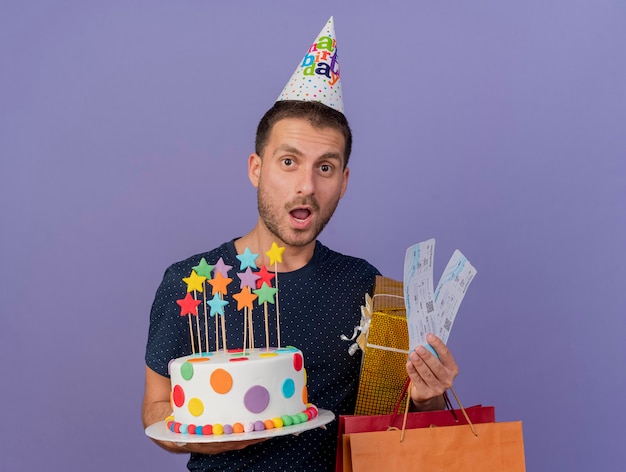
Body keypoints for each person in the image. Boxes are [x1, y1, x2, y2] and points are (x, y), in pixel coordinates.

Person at [142, 18, 458, 472]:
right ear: (256, 168)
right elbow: (154, 408)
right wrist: (212, 437)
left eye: (325, 168)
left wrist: (429, 398)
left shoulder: (371, 288)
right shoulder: (189, 282)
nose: (305, 186)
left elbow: (395, 426)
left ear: (344, 182)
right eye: (288, 161)